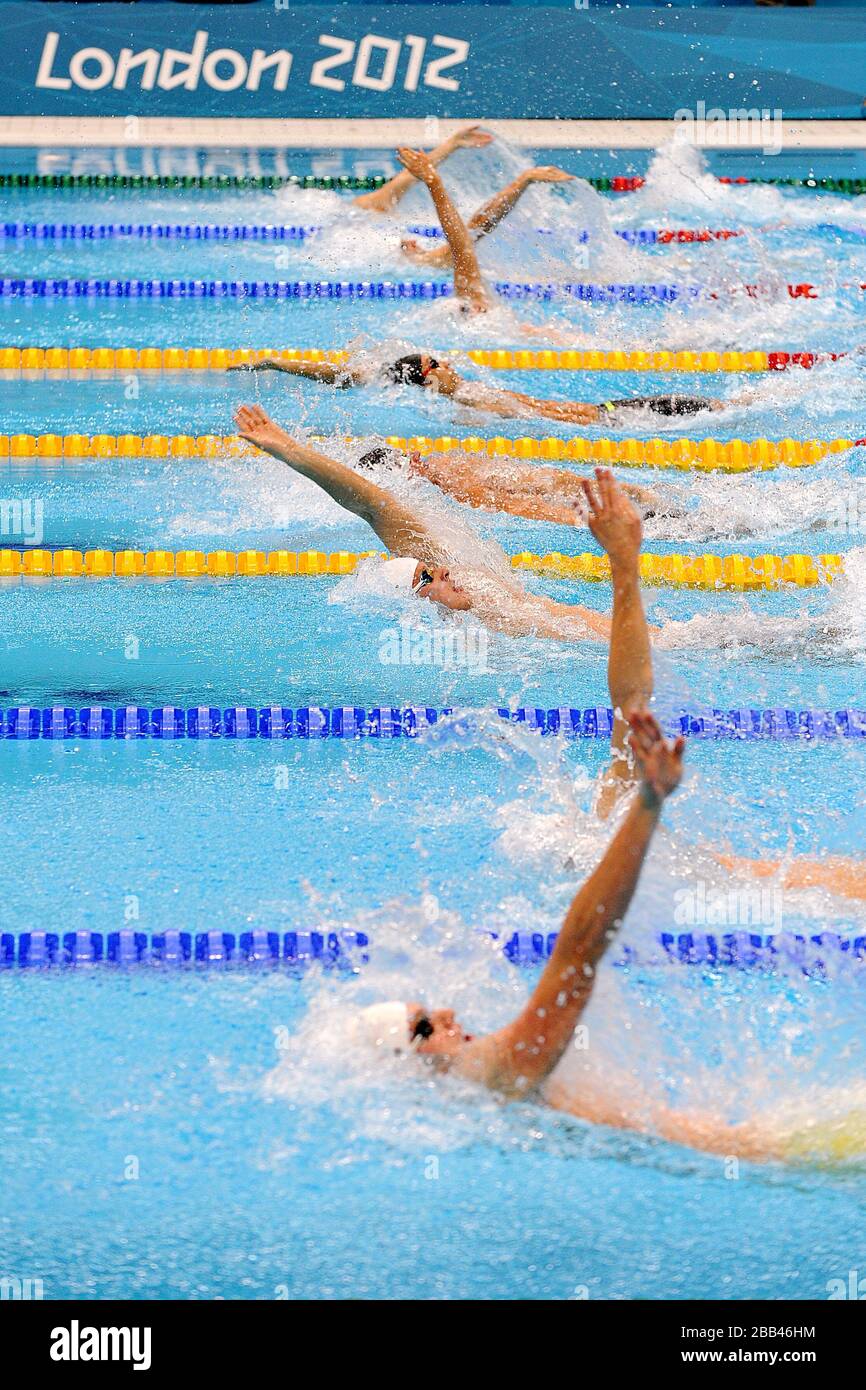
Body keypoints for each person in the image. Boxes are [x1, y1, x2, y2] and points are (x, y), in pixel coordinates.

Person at [233, 403, 661, 643]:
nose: (441, 572)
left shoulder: (452, 573)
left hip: (617, 632)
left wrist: (290, 451)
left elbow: (369, 504)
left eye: (429, 567)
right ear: (417, 599)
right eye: (426, 576)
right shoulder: (458, 633)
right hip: (612, 640)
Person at [355, 444, 664, 523]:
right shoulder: (454, 474)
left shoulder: (455, 476)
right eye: (409, 463)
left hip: (610, 514)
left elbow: (544, 487)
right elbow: (546, 486)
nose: (417, 460)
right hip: (611, 511)